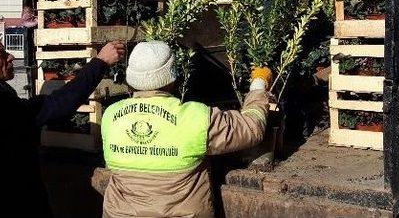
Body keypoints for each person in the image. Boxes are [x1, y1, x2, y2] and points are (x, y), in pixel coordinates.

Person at [0, 31, 125, 218]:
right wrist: (100, 62)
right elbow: (56, 106)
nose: (10, 57)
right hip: (12, 205)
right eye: (0, 56)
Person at [100, 41, 271, 218]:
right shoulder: (195, 117)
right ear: (172, 76)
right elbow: (252, 128)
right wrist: (258, 86)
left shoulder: (111, 116)